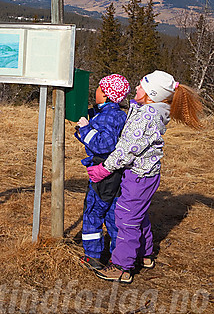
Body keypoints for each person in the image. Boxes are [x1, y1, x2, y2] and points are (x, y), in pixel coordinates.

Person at [87, 70, 203, 284]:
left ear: (151, 95)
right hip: (145, 174)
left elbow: (126, 150)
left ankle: (122, 267)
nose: (136, 88)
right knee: (138, 213)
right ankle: (145, 254)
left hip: (138, 176)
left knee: (126, 218)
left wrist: (104, 168)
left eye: (141, 86)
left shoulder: (146, 117)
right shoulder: (147, 110)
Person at [74, 74, 130, 271]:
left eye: (99, 88)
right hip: (116, 174)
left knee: (93, 214)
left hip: (102, 173)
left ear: (106, 94)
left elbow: (103, 144)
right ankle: (118, 257)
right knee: (113, 215)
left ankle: (93, 257)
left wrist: (86, 129)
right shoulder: (118, 114)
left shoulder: (106, 117)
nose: (95, 91)